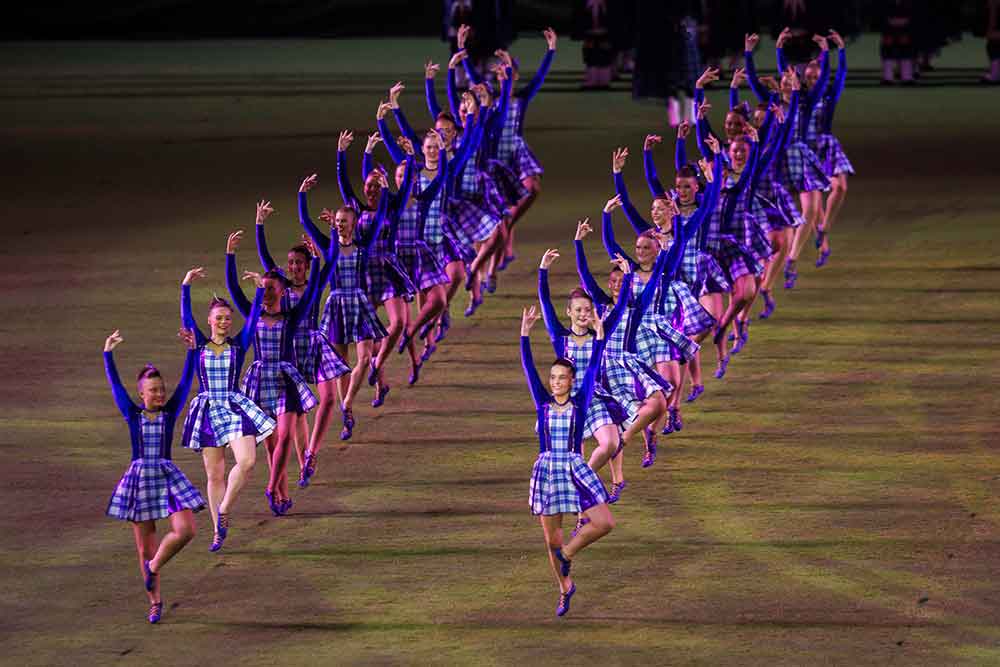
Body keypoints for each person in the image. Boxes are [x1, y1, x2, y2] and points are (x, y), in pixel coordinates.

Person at [520, 304, 615, 617]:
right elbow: (529, 369)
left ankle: (569, 552)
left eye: (562, 377)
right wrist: (524, 334)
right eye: (553, 377)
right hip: (548, 472)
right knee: (552, 540)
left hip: (574, 469)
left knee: (604, 522)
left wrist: (599, 337)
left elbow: (594, 367)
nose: (556, 382)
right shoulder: (542, 404)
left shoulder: (581, 401)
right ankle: (564, 588)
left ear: (572, 381)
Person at [103, 328, 204, 624]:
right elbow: (116, 386)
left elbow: (185, 383)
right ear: (141, 394)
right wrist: (108, 354)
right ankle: (155, 602)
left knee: (186, 530)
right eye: (153, 390)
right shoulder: (132, 414)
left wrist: (192, 351)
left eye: (161, 389)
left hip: (166, 475)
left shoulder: (169, 413)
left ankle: (155, 566)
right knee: (145, 547)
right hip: (140, 481)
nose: (159, 394)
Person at [180, 267, 276, 549]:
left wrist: (259, 290)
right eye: (218, 318)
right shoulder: (199, 344)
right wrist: (185, 286)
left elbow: (254, 318)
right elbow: (186, 318)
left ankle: (223, 510)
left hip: (234, 406)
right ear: (209, 321)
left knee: (247, 461)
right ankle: (217, 531)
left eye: (227, 318)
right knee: (214, 475)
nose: (223, 322)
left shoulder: (239, 345)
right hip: (208, 410)